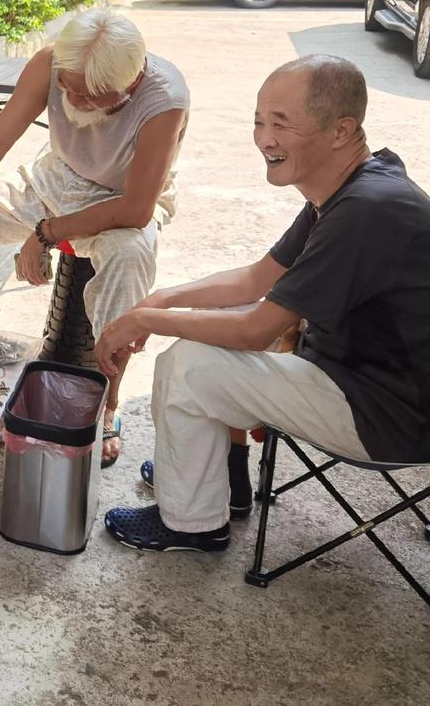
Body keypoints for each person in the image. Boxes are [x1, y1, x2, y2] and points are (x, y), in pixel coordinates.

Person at [98, 55, 430, 553]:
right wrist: (163, 298)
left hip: (388, 413)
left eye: (281, 123)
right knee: (211, 324)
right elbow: (257, 279)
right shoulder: (352, 186)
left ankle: (191, 523)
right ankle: (218, 479)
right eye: (258, 121)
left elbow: (257, 329)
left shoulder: (365, 211)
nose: (264, 139)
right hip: (359, 376)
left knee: (188, 366)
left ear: (341, 131)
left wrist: (147, 319)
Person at [0, 8, 189, 467]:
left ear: (130, 85)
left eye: (90, 96)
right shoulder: (52, 62)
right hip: (54, 179)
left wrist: (44, 234)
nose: (74, 99)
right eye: (67, 88)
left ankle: (108, 403)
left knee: (131, 256)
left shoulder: (163, 99)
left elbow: (137, 209)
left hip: (119, 202)